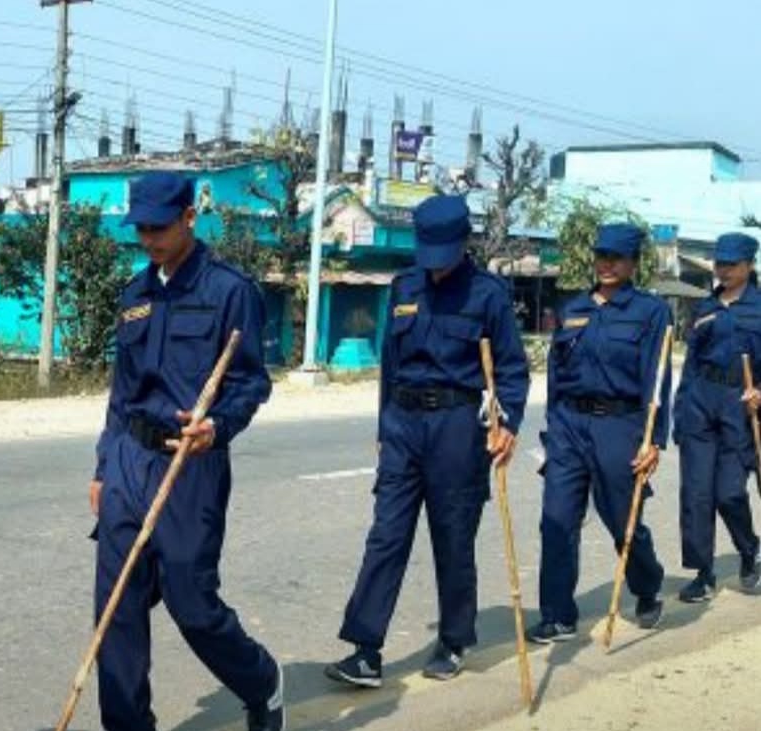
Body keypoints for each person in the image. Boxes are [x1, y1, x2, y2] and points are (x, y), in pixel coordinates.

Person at [78, 170, 284, 731]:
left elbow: (252, 382)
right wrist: (102, 465)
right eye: (140, 227)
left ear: (190, 216)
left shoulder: (229, 291)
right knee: (116, 605)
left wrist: (215, 428)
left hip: (190, 464)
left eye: (159, 226)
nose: (149, 238)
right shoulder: (135, 294)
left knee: (193, 605)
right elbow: (122, 392)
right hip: (130, 462)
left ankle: (261, 681)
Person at [326, 194, 528, 688]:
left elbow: (512, 370)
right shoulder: (404, 286)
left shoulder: (488, 295)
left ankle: (454, 639)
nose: (434, 266)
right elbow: (390, 369)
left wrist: (508, 425)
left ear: (463, 243)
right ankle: (365, 649)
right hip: (403, 425)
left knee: (453, 536)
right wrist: (382, 429)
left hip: (459, 427)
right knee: (386, 534)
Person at [532, 223, 672, 642]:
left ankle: (647, 587)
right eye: (602, 256)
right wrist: (553, 432)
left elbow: (657, 379)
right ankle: (558, 614)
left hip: (620, 425)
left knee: (622, 521)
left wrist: (655, 439)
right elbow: (557, 377)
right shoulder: (573, 309)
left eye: (617, 258)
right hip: (570, 426)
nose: (608, 265)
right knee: (556, 519)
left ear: (633, 262)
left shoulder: (650, 311)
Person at [672, 231, 761, 601]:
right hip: (699, 401)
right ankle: (703, 572)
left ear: (749, 266)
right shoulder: (706, 308)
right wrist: (681, 411)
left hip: (740, 406)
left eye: (731, 265)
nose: (722, 270)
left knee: (728, 493)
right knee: (695, 494)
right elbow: (691, 362)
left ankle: (749, 549)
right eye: (719, 263)